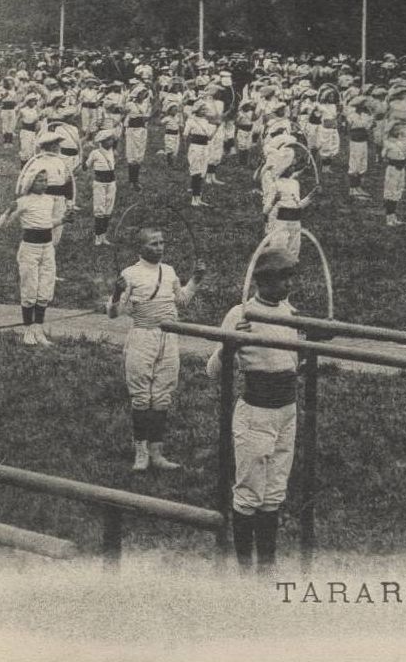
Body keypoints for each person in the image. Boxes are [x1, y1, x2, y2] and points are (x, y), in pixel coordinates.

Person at [204, 245, 310, 571]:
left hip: (286, 411)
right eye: (282, 279)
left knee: (275, 490)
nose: (288, 286)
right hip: (257, 412)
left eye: (290, 278)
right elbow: (212, 370)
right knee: (250, 491)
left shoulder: (290, 313)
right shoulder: (241, 315)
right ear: (263, 281)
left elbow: (295, 360)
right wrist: (229, 345)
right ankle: (244, 567)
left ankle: (267, 565)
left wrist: (309, 344)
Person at [109, 228, 206, 471]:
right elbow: (113, 313)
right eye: (153, 243)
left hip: (168, 337)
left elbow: (181, 300)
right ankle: (141, 453)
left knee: (162, 395)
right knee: (142, 396)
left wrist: (195, 280)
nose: (160, 247)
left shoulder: (169, 271)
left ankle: (157, 453)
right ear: (140, 247)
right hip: (142, 336)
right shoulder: (130, 274)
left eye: (162, 242)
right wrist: (117, 292)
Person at [0, 141, 65, 346]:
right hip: (30, 249)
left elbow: (48, 223)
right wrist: (8, 211)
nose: (43, 184)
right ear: (30, 182)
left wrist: (63, 220)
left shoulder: (49, 200)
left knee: (45, 287)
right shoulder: (23, 201)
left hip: (47, 248)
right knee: (29, 287)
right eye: (39, 181)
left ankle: (38, 329)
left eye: (45, 180)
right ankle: (28, 330)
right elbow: (2, 224)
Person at [89, 128, 118, 246]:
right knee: (99, 209)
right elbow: (87, 165)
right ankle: (98, 236)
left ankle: (104, 235)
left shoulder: (112, 151)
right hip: (100, 183)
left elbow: (117, 139)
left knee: (108, 209)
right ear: (102, 142)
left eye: (111, 139)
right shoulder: (95, 153)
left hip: (111, 183)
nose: (111, 142)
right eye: (108, 140)